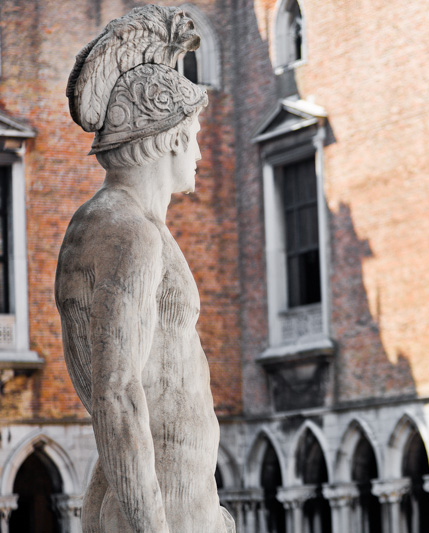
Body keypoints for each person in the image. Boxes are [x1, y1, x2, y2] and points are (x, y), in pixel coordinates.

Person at [55, 7, 234, 533]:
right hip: (158, 512)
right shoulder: (123, 229)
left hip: (183, 502)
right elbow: (116, 392)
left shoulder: (137, 226)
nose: (201, 152)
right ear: (170, 136)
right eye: (195, 134)